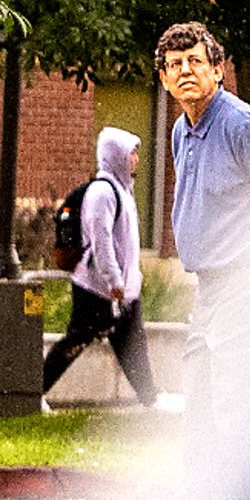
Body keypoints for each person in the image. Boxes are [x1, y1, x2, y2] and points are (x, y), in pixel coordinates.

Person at [158, 21, 250, 394]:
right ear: (164, 78)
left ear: (218, 70)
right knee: (199, 396)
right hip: (208, 289)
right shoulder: (181, 130)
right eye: (175, 65)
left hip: (249, 283)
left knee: (234, 399)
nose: (185, 71)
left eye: (195, 61)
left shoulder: (243, 127)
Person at [40, 125, 158, 407]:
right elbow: (102, 240)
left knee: (133, 347)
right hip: (99, 289)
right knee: (76, 341)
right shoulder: (103, 192)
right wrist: (114, 280)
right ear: (116, 155)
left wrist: (130, 283)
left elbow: (126, 245)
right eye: (131, 153)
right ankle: (34, 392)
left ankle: (150, 400)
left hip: (122, 291)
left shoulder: (123, 192)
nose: (136, 159)